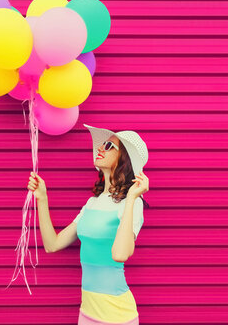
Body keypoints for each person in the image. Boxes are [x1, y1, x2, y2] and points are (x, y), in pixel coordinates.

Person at [27, 123, 150, 325]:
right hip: (87, 312)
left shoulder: (133, 204)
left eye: (109, 146)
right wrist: (42, 198)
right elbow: (52, 244)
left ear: (125, 160)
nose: (101, 148)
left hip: (117, 315)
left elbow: (120, 255)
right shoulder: (92, 203)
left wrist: (131, 198)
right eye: (102, 144)